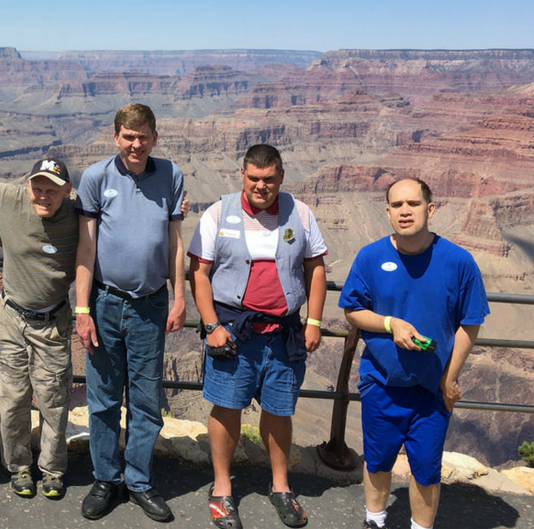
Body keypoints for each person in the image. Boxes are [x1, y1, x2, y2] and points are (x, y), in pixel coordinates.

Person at [188, 144, 327, 529]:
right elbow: (198, 272)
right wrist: (212, 326)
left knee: (280, 410)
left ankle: (281, 486)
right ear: (242, 176)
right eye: (253, 178)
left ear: (281, 177)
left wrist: (314, 321)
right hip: (233, 333)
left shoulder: (300, 213)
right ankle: (222, 488)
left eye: (268, 179)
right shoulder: (218, 213)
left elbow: (315, 268)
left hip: (284, 333)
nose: (260, 186)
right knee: (226, 408)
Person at [339, 178, 488, 529]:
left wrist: (449, 378)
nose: (405, 211)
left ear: (430, 209)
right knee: (378, 461)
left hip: (432, 388)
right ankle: (374, 521)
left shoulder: (459, 262)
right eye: (397, 205)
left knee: (426, 469)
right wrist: (391, 324)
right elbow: (352, 310)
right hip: (382, 382)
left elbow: (470, 324)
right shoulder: (370, 257)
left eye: (414, 204)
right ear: (388, 212)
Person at [74, 103, 187, 522]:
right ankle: (106, 479)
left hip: (151, 305)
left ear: (155, 137)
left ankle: (139, 481)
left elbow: (175, 242)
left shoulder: (172, 175)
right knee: (103, 399)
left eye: (143, 137)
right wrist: (82, 309)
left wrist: (180, 297)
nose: (136, 144)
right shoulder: (96, 177)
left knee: (145, 400)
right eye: (128, 136)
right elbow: (86, 248)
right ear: (116, 136)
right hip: (104, 303)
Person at [0, 158, 77, 500]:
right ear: (27, 186)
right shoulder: (9, 197)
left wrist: (175, 212)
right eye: (38, 188)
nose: (43, 196)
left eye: (52, 190)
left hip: (52, 323)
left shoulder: (80, 216)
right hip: (10, 318)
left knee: (53, 399)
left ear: (67, 190)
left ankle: (52, 470)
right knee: (13, 396)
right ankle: (19, 466)